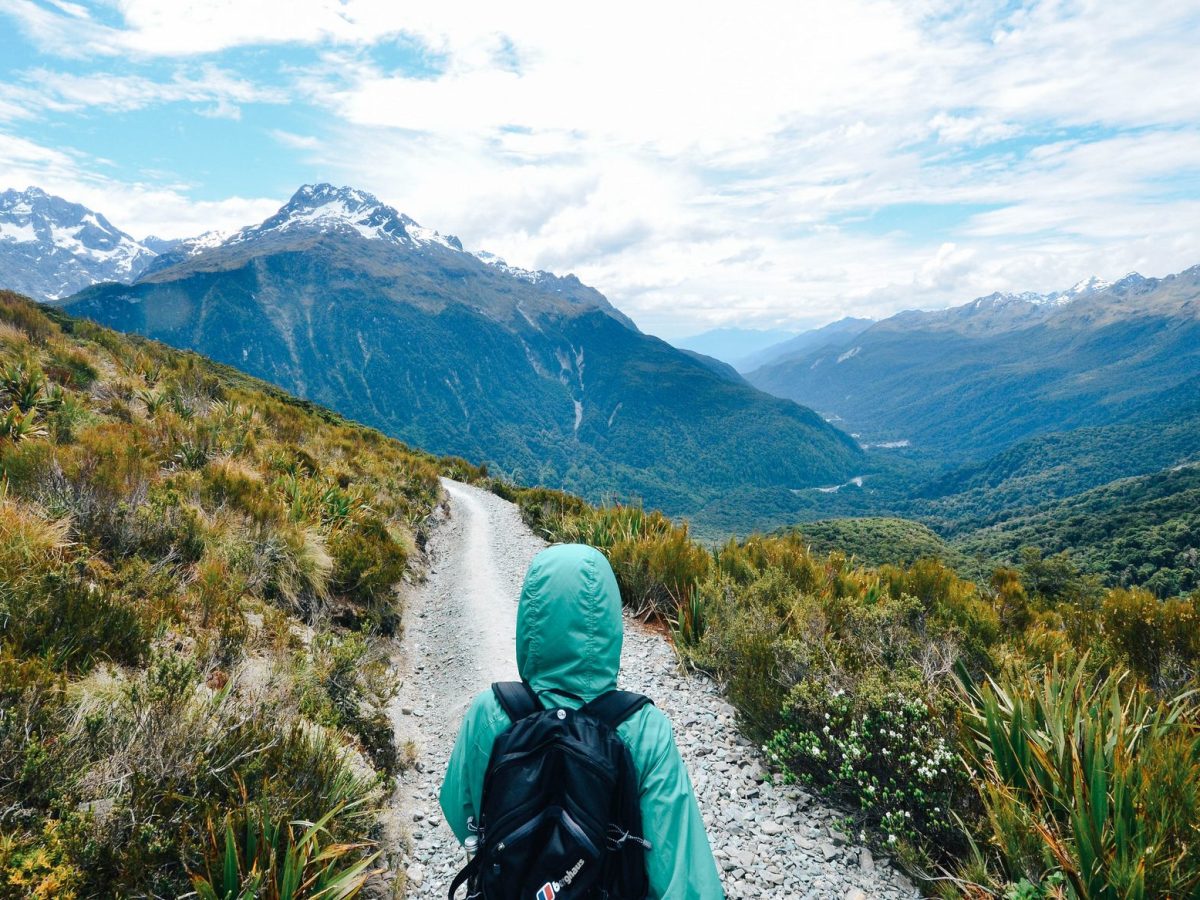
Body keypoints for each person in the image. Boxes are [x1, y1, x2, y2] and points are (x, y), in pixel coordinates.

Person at [439, 543, 725, 899]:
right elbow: (681, 874)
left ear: (530, 616)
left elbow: (460, 810)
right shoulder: (646, 729)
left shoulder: (489, 712)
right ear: (611, 622)